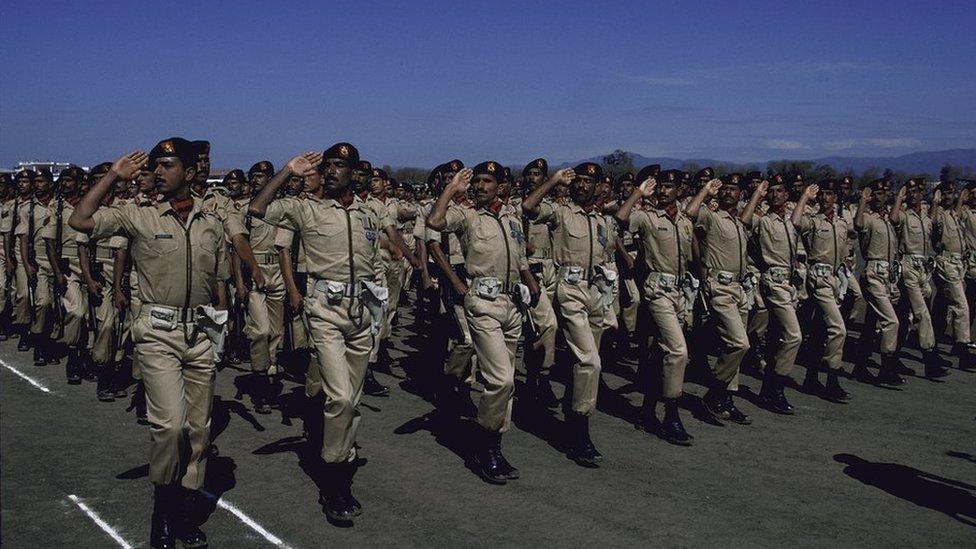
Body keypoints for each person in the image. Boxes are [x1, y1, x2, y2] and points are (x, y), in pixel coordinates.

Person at [70, 139, 234, 549]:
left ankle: (183, 510)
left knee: (199, 430)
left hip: (200, 334)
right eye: (155, 166)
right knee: (171, 426)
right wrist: (112, 176)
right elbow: (80, 220)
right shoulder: (137, 215)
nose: (158, 172)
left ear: (190, 173)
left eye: (168, 165)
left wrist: (222, 316)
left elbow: (217, 277)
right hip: (157, 332)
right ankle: (163, 511)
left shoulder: (209, 220)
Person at [248, 143, 383, 522]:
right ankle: (335, 478)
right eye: (329, 166)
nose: (333, 171)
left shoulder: (367, 213)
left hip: (361, 313)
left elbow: (373, 262)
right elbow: (257, 209)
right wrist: (287, 172)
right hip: (325, 311)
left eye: (342, 166)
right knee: (339, 396)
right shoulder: (305, 208)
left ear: (355, 172)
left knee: (351, 398)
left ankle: (341, 451)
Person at [427, 161, 540, 484]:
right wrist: (452, 190)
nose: (479, 186)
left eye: (487, 181)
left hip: (512, 303)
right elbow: (435, 222)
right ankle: (483, 441)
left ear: (500, 185)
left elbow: (519, 257)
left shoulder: (511, 216)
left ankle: (494, 446)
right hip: (483, 302)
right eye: (475, 181)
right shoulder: (467, 214)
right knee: (500, 380)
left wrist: (529, 279)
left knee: (507, 383)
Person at [523, 162, 616, 466]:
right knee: (590, 360)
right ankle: (579, 429)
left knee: (584, 363)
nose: (582, 186)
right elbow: (529, 206)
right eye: (578, 180)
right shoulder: (561, 211)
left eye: (589, 181)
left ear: (599, 185)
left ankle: (572, 408)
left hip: (597, 292)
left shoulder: (603, 220)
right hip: (571, 289)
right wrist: (552, 181)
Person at [615, 168, 699, 445]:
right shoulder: (648, 217)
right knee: (678, 349)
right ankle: (671, 413)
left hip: (679, 291)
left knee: (657, 352)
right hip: (657, 291)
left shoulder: (684, 221)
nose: (663, 191)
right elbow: (621, 218)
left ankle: (647, 409)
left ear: (680, 191)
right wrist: (639, 193)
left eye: (668, 187)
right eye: (659, 187)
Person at [684, 175, 761, 425]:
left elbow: (748, 218)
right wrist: (706, 191)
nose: (729, 193)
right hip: (720, 287)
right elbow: (690, 213)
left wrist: (758, 194)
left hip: (739, 288)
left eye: (734, 190)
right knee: (740, 344)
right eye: (725, 189)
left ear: (740, 195)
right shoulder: (711, 216)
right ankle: (714, 393)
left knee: (734, 347)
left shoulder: (739, 223)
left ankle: (726, 400)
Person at [741, 175, 803, 415]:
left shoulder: (789, 221)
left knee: (778, 336)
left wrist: (805, 198)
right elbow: (745, 221)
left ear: (787, 196)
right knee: (793, 335)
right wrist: (758, 193)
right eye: (772, 191)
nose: (776, 194)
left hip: (789, 282)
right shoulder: (762, 221)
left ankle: (768, 389)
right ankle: (778, 385)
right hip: (773, 281)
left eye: (780, 191)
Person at [791, 181, 851, 402]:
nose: (826, 198)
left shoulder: (842, 223)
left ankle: (811, 377)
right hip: (819, 279)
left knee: (819, 331)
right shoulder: (814, 221)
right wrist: (805, 197)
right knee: (839, 329)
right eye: (823, 194)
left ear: (835, 197)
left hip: (835, 279)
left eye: (830, 194)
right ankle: (832, 377)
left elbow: (845, 247)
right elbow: (796, 222)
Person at [891, 178, 949, 378]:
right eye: (912, 191)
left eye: (919, 190)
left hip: (923, 269)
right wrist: (899, 199)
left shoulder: (923, 216)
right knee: (921, 313)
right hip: (908, 266)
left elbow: (932, 224)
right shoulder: (905, 215)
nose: (916, 194)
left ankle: (892, 358)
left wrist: (935, 204)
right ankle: (930, 358)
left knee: (905, 315)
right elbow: (893, 219)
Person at [854, 179, 904, 386]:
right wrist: (862, 202)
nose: (880, 197)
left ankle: (861, 365)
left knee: (871, 323)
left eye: (883, 194)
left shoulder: (887, 220)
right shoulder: (868, 218)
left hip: (888, 276)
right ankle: (887, 366)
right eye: (876, 194)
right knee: (891, 321)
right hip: (874, 272)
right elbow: (857, 225)